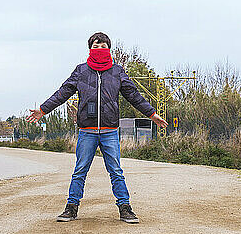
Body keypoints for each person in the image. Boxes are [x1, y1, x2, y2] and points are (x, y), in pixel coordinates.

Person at [26, 32, 168, 223]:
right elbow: (62, 93)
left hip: (110, 132)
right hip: (87, 132)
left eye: (103, 47)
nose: (99, 49)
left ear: (109, 49)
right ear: (89, 49)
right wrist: (43, 110)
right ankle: (71, 207)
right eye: (95, 46)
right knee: (80, 171)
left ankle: (125, 208)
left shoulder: (117, 72)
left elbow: (134, 95)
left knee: (116, 171)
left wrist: (152, 114)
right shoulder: (81, 71)